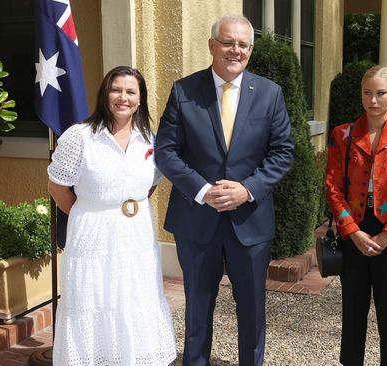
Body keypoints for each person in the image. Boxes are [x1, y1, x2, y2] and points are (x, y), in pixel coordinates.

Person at [154, 15, 294, 366]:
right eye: (229, 42)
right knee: (197, 312)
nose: (236, 50)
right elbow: (166, 151)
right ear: (212, 45)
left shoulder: (269, 93)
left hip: (251, 222)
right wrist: (202, 191)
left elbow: (283, 152)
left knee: (252, 313)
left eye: (243, 44)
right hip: (196, 220)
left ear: (250, 49)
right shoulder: (184, 90)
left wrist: (247, 190)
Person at [47, 66, 176, 365]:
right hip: (92, 235)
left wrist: (127, 207)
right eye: (116, 90)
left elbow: (150, 184)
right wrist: (88, 213)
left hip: (136, 235)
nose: (123, 97)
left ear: (140, 98)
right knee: (93, 299)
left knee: (132, 297)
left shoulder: (149, 138)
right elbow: (57, 185)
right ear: (105, 94)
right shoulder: (80, 137)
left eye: (131, 92)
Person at [325, 65, 387, 365]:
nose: (373, 100)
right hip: (354, 231)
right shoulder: (342, 134)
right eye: (367, 93)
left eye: (380, 93)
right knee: (353, 310)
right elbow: (332, 187)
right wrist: (351, 231)